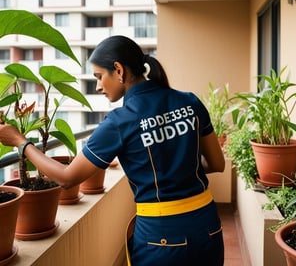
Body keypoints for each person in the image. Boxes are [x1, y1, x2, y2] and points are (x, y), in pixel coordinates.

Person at [0, 35, 225, 266]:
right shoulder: (190, 102)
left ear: (118, 70)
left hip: (162, 237)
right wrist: (180, 168)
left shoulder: (120, 121)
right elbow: (218, 164)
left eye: (99, 76)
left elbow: (67, 179)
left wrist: (20, 141)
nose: (97, 86)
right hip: (208, 225)